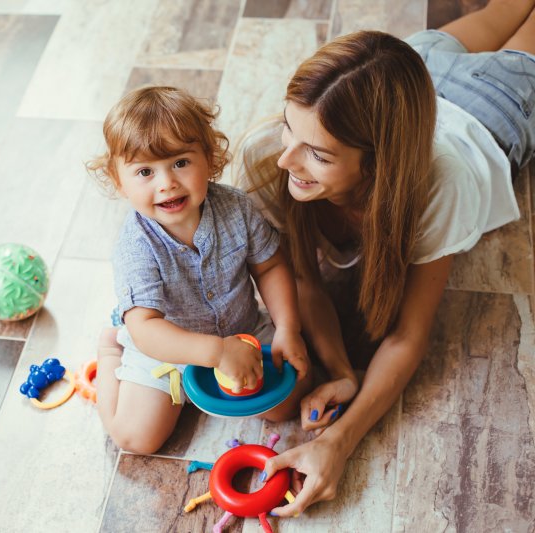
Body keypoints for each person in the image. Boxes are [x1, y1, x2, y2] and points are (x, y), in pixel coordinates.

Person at [234, 0, 535, 517]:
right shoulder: (269, 156)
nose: (287, 160)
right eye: (290, 127)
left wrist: (340, 441)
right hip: (413, 68)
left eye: (318, 155)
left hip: (491, 106)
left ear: (378, 167)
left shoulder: (441, 187)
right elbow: (304, 279)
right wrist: (341, 369)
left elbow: (408, 336)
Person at [87, 86, 312, 454]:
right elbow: (146, 328)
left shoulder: (236, 208)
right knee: (136, 438)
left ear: (209, 158)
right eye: (145, 171)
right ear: (119, 181)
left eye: (180, 162)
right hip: (164, 349)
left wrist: (288, 327)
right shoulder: (136, 246)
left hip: (242, 330)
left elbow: (271, 266)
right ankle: (111, 349)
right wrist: (215, 353)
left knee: (289, 400)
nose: (167, 183)